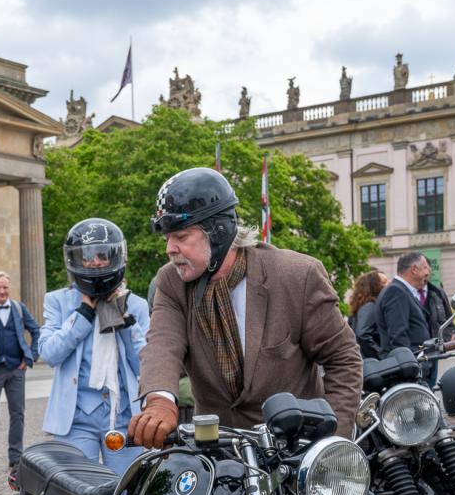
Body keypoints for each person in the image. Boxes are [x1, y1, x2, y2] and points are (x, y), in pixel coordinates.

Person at [129, 167, 363, 445]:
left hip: (293, 448)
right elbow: (162, 345)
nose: (170, 248)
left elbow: (343, 359)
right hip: (219, 450)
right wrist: (160, 401)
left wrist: (330, 442)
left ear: (218, 232)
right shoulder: (170, 282)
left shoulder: (297, 275)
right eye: (167, 238)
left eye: (181, 237)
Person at [40, 218, 150, 473]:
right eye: (88, 256)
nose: (96, 262)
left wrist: (126, 325)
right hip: (77, 418)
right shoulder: (58, 301)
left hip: (123, 416)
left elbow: (144, 366)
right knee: (78, 489)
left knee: (126, 490)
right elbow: (49, 353)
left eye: (103, 255)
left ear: (116, 257)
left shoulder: (136, 305)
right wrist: (83, 315)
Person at [0, 271, 40, 476]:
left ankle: (15, 458)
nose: (2, 291)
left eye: (5, 287)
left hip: (16, 369)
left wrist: (31, 356)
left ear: (9, 288)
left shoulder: (19, 308)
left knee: (18, 415)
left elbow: (36, 330)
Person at [346, 270, 388, 360]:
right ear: (373, 286)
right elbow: (362, 334)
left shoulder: (366, 306)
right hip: (372, 363)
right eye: (384, 282)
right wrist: (381, 354)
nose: (389, 284)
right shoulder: (370, 306)